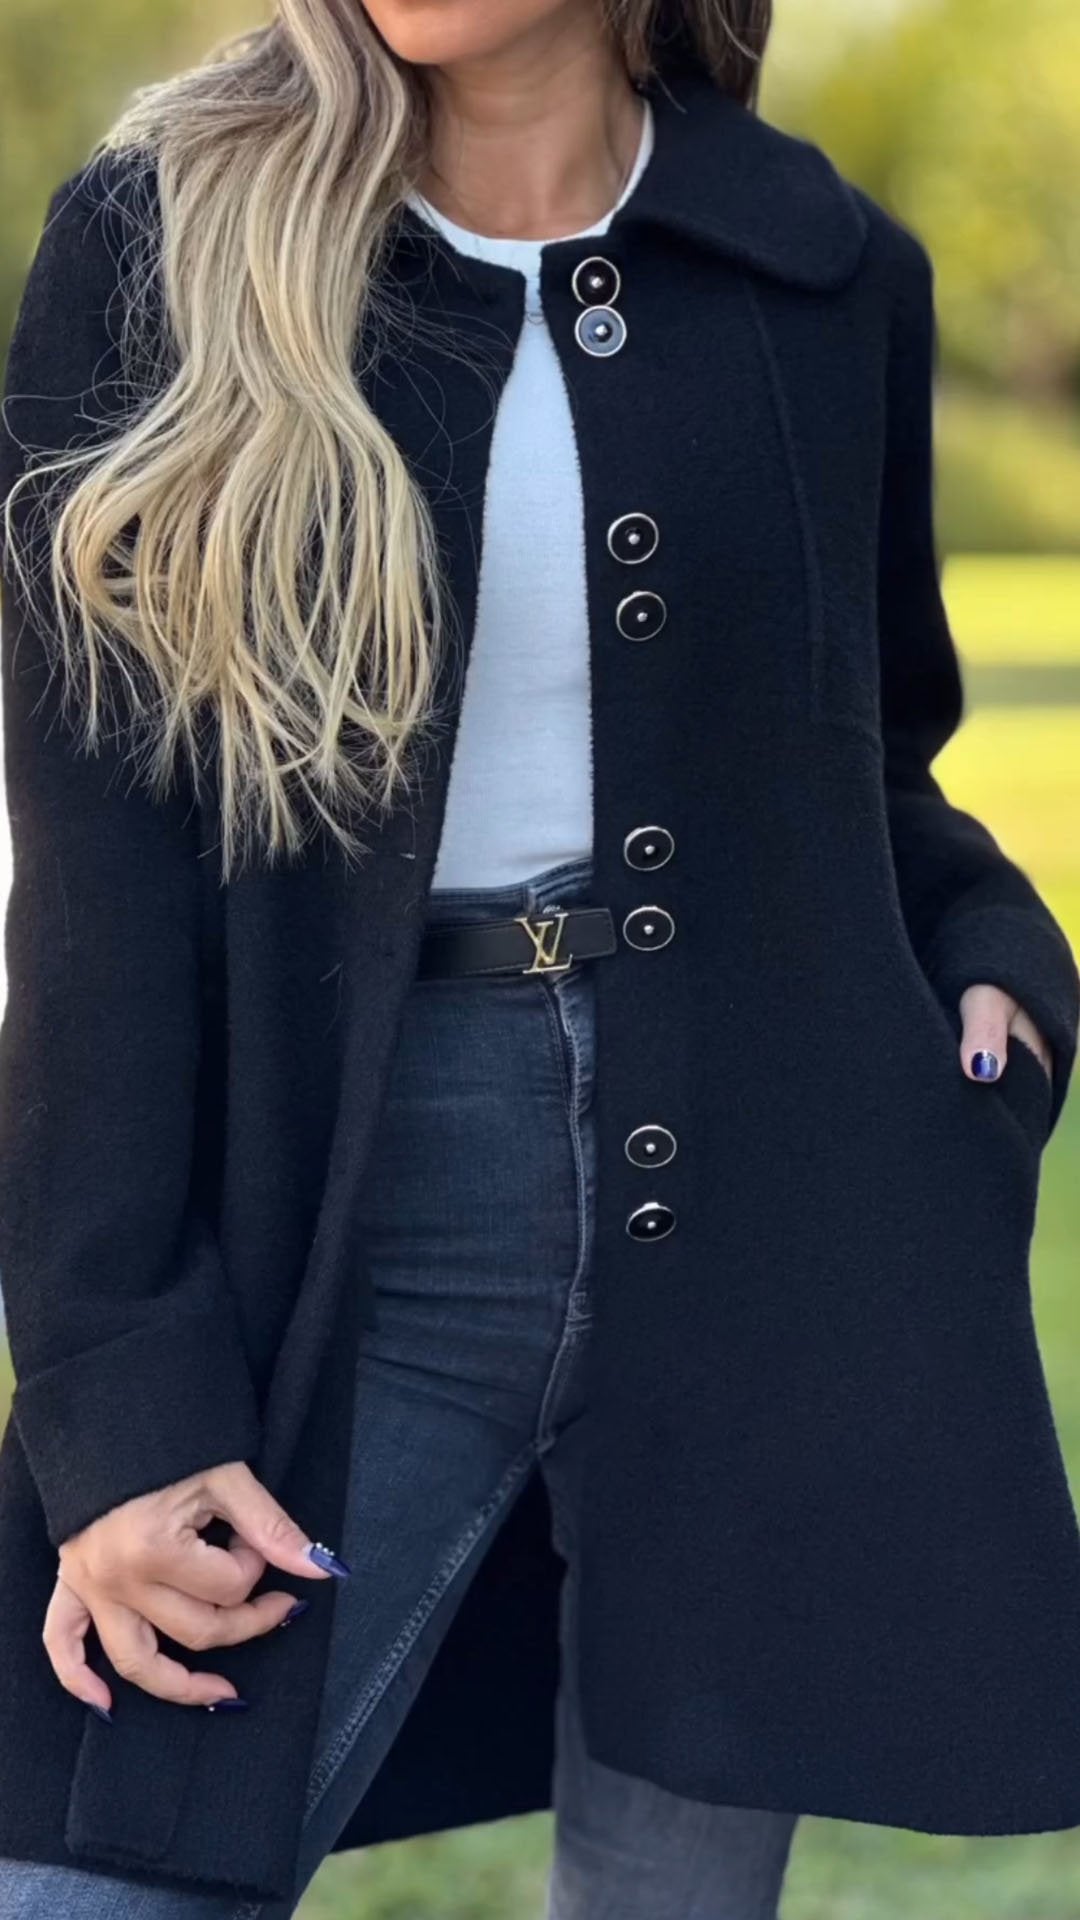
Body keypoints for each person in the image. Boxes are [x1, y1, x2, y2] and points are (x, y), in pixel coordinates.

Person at [1, 1, 1079, 1914]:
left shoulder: (820, 269)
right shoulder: (165, 240)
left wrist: (999, 948)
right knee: (101, 1866)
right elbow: (98, 873)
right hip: (355, 1196)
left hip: (764, 1212)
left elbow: (863, 762)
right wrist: (117, 1388)